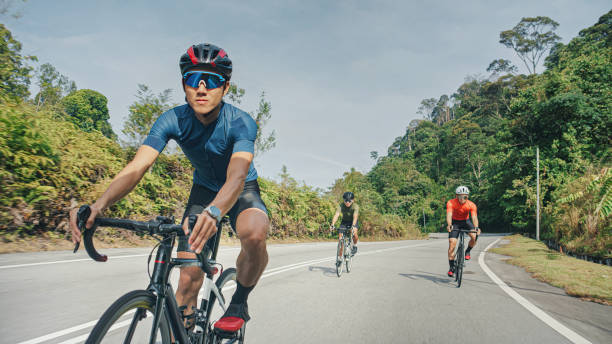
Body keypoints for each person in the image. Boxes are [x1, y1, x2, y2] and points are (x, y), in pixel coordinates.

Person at [69, 43, 269, 333]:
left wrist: (215, 213)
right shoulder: (172, 119)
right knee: (188, 277)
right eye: (193, 79)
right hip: (203, 191)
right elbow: (137, 167)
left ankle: (239, 300)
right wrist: (99, 205)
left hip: (240, 189)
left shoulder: (241, 122)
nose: (201, 88)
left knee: (254, 233)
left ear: (225, 88)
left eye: (211, 81)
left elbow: (236, 177)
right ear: (183, 85)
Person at [446, 186, 480, 277]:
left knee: (474, 236)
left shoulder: (471, 205)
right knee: (452, 243)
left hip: (466, 222)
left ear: (467, 197)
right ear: (456, 196)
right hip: (455, 223)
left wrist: (476, 228)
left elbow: (474, 217)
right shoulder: (451, 202)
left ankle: (467, 251)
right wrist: (449, 225)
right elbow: (449, 215)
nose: (462, 199)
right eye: (460, 196)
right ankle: (452, 267)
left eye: (465, 197)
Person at [330, 192, 359, 257]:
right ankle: (339, 258)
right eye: (346, 200)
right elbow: (336, 215)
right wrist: (332, 224)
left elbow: (355, 216)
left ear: (353, 200)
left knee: (354, 233)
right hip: (344, 221)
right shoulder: (341, 205)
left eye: (349, 201)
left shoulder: (355, 206)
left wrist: (353, 226)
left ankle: (355, 245)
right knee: (340, 239)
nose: (347, 202)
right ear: (344, 200)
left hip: (353, 221)